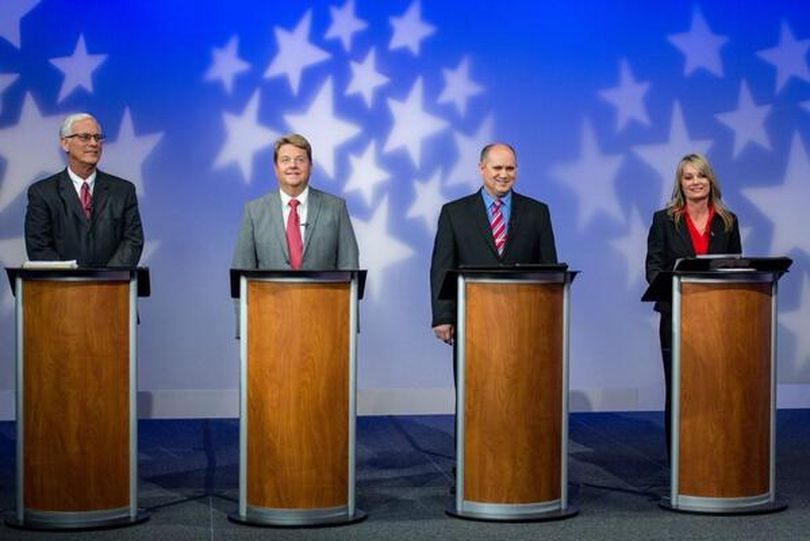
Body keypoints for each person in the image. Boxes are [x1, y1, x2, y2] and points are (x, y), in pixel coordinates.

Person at [645, 153, 742, 455]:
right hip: (677, 317)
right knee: (679, 391)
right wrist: (680, 290)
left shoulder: (727, 222)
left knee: (716, 389)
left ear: (710, 180)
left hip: (718, 322)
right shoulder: (664, 220)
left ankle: (715, 455)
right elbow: (653, 268)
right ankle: (680, 463)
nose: (695, 182)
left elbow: (736, 267)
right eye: (688, 177)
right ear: (680, 184)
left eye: (701, 176)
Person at [430, 142, 558, 345]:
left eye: (510, 168)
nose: (504, 175)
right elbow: (442, 268)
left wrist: (551, 316)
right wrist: (443, 317)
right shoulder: (454, 213)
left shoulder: (537, 212)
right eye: (497, 168)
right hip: (472, 318)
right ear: (482, 169)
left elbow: (549, 269)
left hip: (525, 319)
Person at [24, 113, 144, 267]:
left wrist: (104, 280)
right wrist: (73, 282)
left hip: (110, 286)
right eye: (85, 137)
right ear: (65, 143)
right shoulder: (42, 193)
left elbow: (132, 241)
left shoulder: (123, 191)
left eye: (98, 137)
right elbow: (39, 247)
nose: (94, 143)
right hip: (61, 288)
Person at [232, 133, 359, 270]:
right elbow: (242, 272)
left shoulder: (336, 208)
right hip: (270, 292)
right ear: (276, 168)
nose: (293, 165)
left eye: (300, 160)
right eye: (285, 160)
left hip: (323, 292)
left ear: (310, 166)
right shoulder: (254, 211)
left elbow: (349, 267)